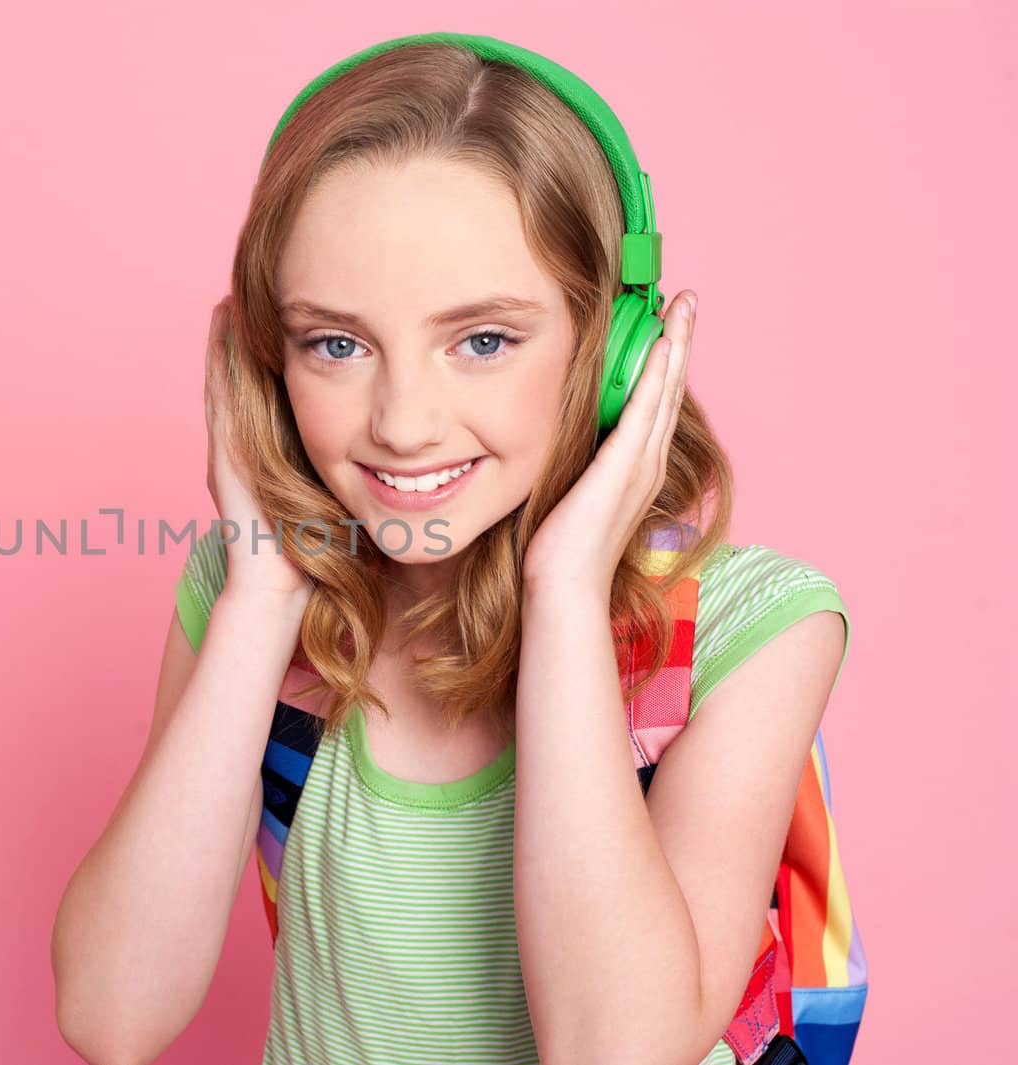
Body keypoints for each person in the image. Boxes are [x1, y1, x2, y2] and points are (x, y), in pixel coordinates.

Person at [53, 36, 852, 1065]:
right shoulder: (253, 591)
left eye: (482, 340)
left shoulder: (756, 627)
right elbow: (111, 1016)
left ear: (611, 354)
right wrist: (259, 597)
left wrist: (562, 593)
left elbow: (617, 1051)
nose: (402, 424)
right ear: (264, 357)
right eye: (335, 344)